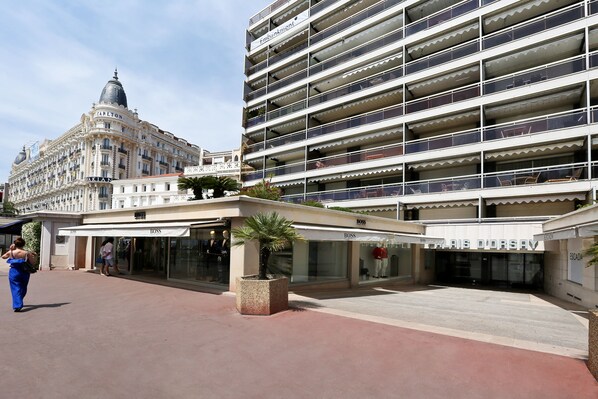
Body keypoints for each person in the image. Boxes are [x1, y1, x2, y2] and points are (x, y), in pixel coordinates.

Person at [1, 237, 36, 312]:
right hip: (24, 272)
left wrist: (11, 250)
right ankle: (19, 301)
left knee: (15, 287)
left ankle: (17, 304)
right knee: (23, 287)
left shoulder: (11, 252)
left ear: (15, 244)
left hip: (14, 271)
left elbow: (3, 257)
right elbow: (33, 263)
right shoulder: (27, 253)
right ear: (23, 244)